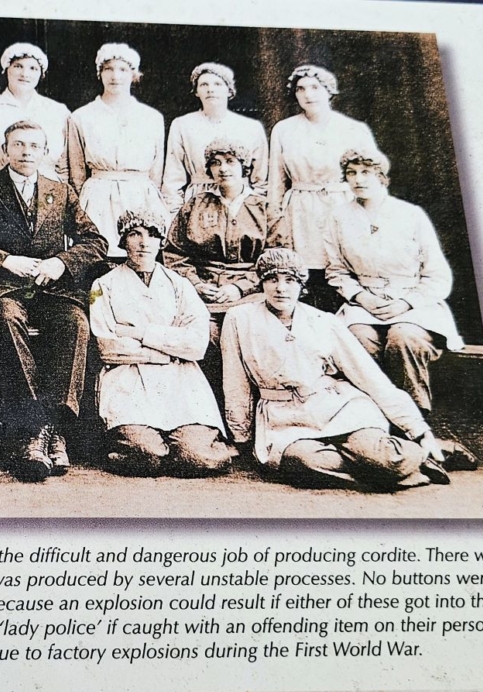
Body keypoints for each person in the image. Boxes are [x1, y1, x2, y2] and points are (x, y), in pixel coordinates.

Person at [0, 120, 108, 482]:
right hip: (2, 288)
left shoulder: (60, 192)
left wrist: (61, 263)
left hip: (50, 289)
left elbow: (96, 242)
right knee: (5, 318)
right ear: (5, 150)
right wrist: (2, 260)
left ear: (46, 152)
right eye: (19, 145)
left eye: (34, 146)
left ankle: (51, 428)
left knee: (75, 323)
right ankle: (38, 430)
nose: (26, 152)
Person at [220, 248, 450, 491]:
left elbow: (371, 379)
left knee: (383, 457)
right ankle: (391, 471)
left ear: (301, 285)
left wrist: (418, 429)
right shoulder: (239, 318)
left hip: (337, 406)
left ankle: (408, 457)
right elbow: (235, 383)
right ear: (261, 283)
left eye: (290, 281)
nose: (281, 288)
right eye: (272, 279)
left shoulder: (324, 321)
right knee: (303, 463)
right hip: (284, 418)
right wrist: (241, 438)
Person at [89, 210, 233, 477]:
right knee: (146, 455)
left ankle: (182, 445)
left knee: (198, 458)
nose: (144, 243)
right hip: (128, 381)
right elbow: (108, 347)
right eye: (135, 234)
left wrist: (140, 333)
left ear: (161, 242)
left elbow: (196, 344)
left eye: (153, 235)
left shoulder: (180, 285)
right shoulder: (102, 285)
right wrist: (166, 352)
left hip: (181, 381)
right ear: (123, 241)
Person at [325, 147, 463, 413]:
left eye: (366, 172)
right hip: (364, 305)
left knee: (403, 338)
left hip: (413, 305)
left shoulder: (411, 215)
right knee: (358, 339)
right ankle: (371, 416)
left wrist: (405, 303)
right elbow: (336, 270)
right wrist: (361, 297)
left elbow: (438, 276)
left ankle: (415, 417)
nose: (358, 180)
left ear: (381, 176)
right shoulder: (338, 216)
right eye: (351, 173)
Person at [268, 64, 376, 310]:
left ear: (329, 91)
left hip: (342, 205)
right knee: (308, 276)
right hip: (300, 210)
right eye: (301, 89)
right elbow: (276, 182)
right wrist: (276, 221)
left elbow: (371, 179)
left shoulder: (354, 129)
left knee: (344, 270)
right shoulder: (284, 129)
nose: (308, 94)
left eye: (315, 87)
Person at [67, 43, 167, 260]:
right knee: (97, 256)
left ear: (134, 74)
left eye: (123, 69)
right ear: (99, 73)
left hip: (140, 195)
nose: (115, 76)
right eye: (108, 69)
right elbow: (76, 170)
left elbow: (156, 170)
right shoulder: (81, 116)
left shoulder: (151, 117)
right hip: (98, 197)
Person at [163, 138, 269, 344]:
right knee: (205, 333)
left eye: (230, 161)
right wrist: (196, 284)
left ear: (243, 166)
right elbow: (174, 254)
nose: (223, 169)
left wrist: (239, 288)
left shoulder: (264, 208)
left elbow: (275, 259)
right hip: (203, 293)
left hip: (250, 295)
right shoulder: (196, 204)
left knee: (248, 332)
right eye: (215, 162)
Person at [162, 62, 268, 216]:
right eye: (204, 84)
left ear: (229, 90)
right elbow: (173, 178)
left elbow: (261, 180)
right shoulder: (182, 125)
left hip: (240, 202)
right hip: (198, 202)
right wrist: (176, 214)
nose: (210, 89)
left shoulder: (251, 127)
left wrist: (253, 211)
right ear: (196, 91)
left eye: (218, 84)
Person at [0, 42, 71, 181]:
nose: (25, 74)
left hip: (48, 188)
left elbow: (65, 164)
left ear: (42, 74)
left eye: (33, 68)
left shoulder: (58, 111)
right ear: (6, 69)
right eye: (18, 66)